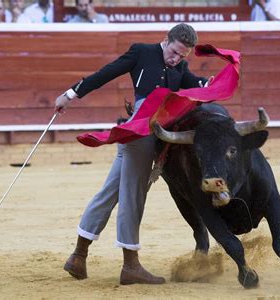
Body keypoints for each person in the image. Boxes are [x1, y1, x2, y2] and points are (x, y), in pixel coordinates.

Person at [54, 23, 212, 285]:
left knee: (111, 192)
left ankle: (78, 256)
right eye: (174, 52)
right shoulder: (141, 52)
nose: (175, 59)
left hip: (140, 133)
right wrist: (70, 94)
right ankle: (131, 265)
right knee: (133, 194)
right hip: (139, 130)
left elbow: (193, 82)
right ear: (166, 40)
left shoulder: (180, 68)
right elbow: (105, 74)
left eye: (182, 56)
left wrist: (208, 83)